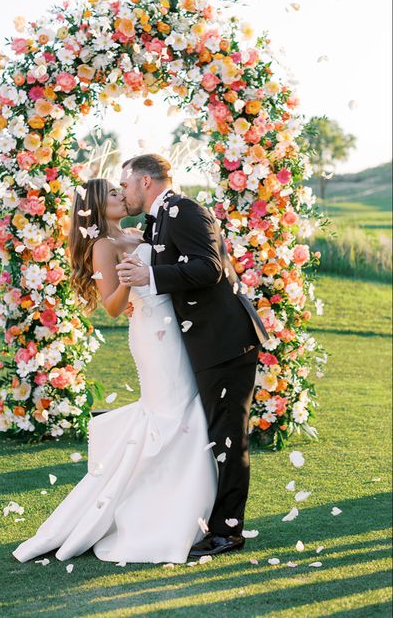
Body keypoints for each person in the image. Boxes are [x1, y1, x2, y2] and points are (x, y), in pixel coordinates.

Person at [12, 177, 217, 565]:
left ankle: (179, 506)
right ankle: (150, 516)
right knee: (170, 414)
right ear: (94, 206)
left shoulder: (140, 232)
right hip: (151, 337)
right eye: (112, 193)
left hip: (175, 327)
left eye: (121, 190)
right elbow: (110, 305)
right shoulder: (103, 246)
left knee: (188, 413)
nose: (122, 196)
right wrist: (126, 279)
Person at [116, 154, 268, 557]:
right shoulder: (160, 218)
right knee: (215, 434)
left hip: (225, 340)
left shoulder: (183, 209)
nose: (123, 191)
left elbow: (209, 268)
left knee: (228, 437)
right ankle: (210, 521)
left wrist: (151, 276)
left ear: (145, 181)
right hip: (205, 342)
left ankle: (227, 532)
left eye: (125, 182)